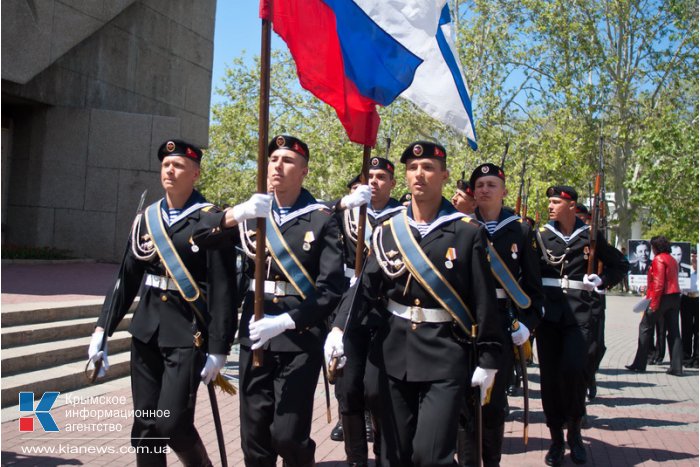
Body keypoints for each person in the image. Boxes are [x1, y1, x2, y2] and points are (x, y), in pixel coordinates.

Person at [326, 141, 504, 467]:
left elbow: (483, 300)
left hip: (445, 354)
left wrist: (489, 358)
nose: (419, 174)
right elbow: (365, 288)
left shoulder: (467, 233)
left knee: (431, 456)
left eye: (428, 168)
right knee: (393, 457)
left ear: (444, 175)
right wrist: (339, 328)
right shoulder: (389, 230)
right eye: (412, 168)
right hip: (393, 354)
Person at [87, 139, 240, 466]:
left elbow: (225, 290)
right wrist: (103, 328)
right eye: (166, 165)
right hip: (146, 332)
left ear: (195, 173)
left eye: (179, 166)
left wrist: (219, 347)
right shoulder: (147, 219)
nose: (170, 171)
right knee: (145, 428)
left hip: (187, 334)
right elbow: (126, 278)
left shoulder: (210, 219)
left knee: (172, 424)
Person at [195, 135, 345, 467]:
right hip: (255, 336)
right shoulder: (253, 213)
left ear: (304, 171)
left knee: (288, 435)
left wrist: (288, 320)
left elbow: (331, 287)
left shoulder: (320, 218)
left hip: (298, 337)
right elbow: (199, 237)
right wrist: (235, 214)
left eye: (288, 160)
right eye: (273, 159)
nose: (277, 165)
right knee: (254, 439)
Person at [457, 163, 543, 467]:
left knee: (492, 404)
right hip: (466, 323)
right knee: (464, 400)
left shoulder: (520, 229)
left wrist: (528, 326)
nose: (484, 190)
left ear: (503, 191)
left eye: (491, 185)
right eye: (479, 185)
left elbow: (534, 289)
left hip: (504, 325)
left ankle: (491, 462)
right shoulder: (461, 226)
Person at [535, 186, 628, 466]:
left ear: (571, 205)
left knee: (575, 371)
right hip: (549, 315)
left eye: (555, 202)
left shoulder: (590, 236)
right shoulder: (540, 236)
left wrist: (601, 280)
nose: (550, 206)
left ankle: (574, 429)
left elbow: (620, 264)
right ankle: (555, 439)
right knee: (550, 379)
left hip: (579, 314)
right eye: (549, 201)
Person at [330, 157, 405, 467]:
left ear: (392, 183)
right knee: (348, 388)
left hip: (386, 311)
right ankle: (356, 460)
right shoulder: (348, 212)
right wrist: (343, 202)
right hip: (351, 311)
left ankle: (384, 457)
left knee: (380, 392)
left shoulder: (403, 216)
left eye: (381, 177)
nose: (374, 181)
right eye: (369, 176)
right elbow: (316, 218)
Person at [627, 236, 683, 376]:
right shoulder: (672, 259)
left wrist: (653, 305)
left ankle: (640, 363)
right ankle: (677, 367)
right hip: (675, 297)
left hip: (662, 297)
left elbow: (658, 284)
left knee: (645, 326)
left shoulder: (659, 259)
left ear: (655, 247)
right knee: (674, 332)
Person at [681, 249, 698, 368]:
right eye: (692, 256)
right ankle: (686, 357)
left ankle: (697, 358)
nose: (694, 258)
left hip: (698, 298)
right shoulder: (686, 269)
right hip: (686, 298)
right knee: (686, 329)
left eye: (696, 256)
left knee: (698, 331)